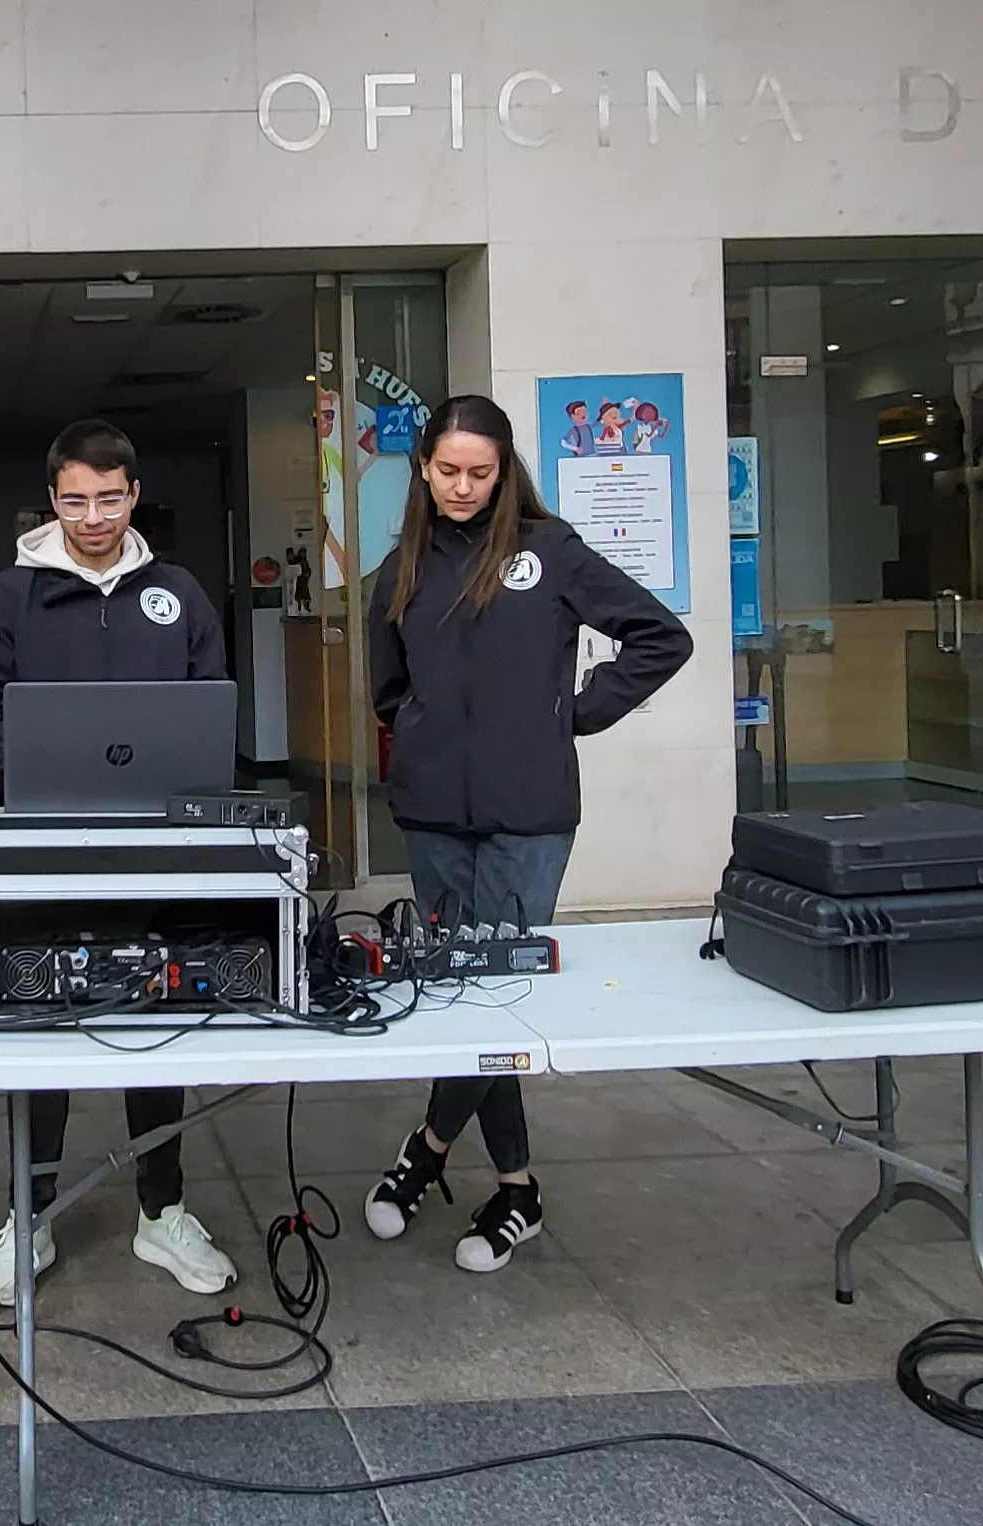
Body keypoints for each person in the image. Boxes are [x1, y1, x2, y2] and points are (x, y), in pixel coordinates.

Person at [360, 395, 694, 1272]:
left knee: (495, 995)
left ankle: (427, 1150)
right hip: (433, 812)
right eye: (446, 470)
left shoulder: (551, 553)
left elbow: (660, 638)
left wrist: (570, 716)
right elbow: (387, 692)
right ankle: (517, 1188)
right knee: (457, 996)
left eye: (479, 472)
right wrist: (426, 736)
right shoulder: (399, 568)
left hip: (529, 815)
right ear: (422, 469)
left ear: (504, 470)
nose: (462, 487)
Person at [0, 419, 238, 1301]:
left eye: (108, 499)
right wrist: (36, 776)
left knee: (159, 1022)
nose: (92, 518)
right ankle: (31, 1215)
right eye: (74, 501)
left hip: (160, 847)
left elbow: (210, 706)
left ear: (133, 495)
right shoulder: (10, 597)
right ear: (52, 500)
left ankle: (162, 1211)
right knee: (42, 1022)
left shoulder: (177, 592)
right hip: (43, 845)